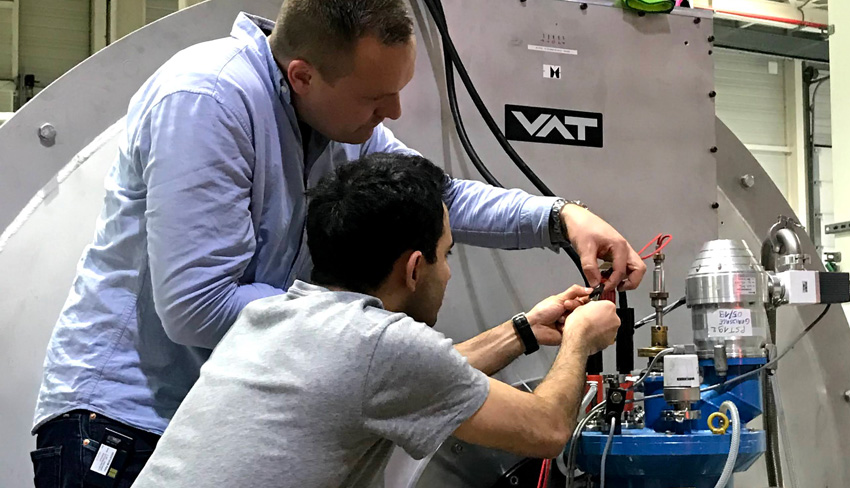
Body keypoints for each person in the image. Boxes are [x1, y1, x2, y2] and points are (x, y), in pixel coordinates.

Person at [30, 0, 644, 487]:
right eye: (376, 99)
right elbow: (197, 306)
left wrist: (561, 218)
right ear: (303, 75)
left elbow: (432, 199)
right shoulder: (206, 100)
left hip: (201, 410)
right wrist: (578, 340)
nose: (392, 113)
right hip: (117, 422)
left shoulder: (340, 128)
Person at [131, 153, 621, 488]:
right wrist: (579, 338)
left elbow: (416, 378)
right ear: (413, 268)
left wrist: (524, 331)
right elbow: (549, 429)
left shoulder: (275, 315)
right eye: (446, 255)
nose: (447, 272)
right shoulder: (382, 347)